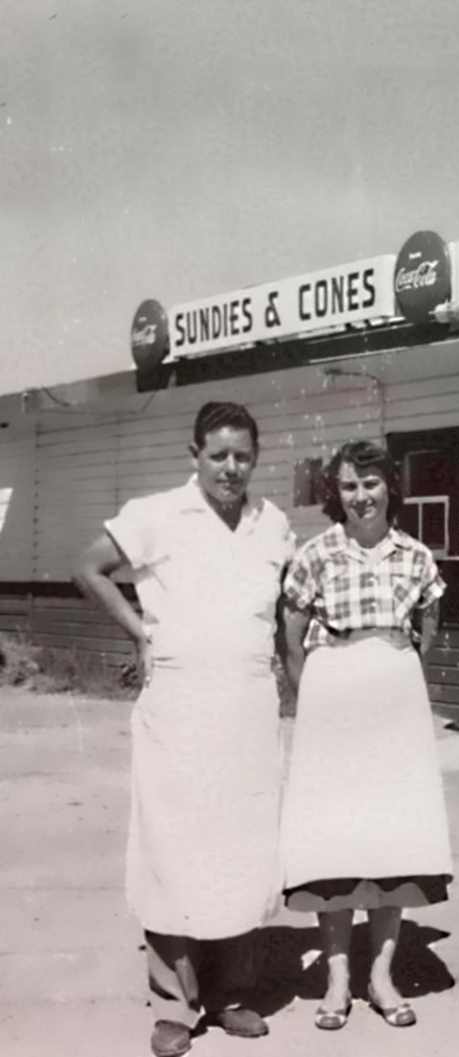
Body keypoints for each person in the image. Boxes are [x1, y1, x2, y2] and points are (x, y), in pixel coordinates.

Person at [73, 401, 295, 1057]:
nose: (232, 467)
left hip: (250, 701)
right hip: (179, 701)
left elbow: (280, 607)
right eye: (219, 454)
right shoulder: (155, 514)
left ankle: (233, 993)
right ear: (193, 453)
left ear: (256, 456)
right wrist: (141, 632)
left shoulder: (273, 522)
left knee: (243, 844)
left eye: (243, 455)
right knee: (174, 846)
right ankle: (174, 1002)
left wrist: (295, 675)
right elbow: (87, 568)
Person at [280, 439, 452, 1031]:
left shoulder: (416, 555)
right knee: (335, 836)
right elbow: (292, 621)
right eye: (350, 486)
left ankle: (381, 976)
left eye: (371, 484)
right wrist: (317, 687)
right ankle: (337, 981)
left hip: (394, 694)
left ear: (390, 489)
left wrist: (395, 669)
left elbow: (429, 622)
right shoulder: (316, 553)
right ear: (337, 494)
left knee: (392, 835)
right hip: (333, 691)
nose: (361, 497)